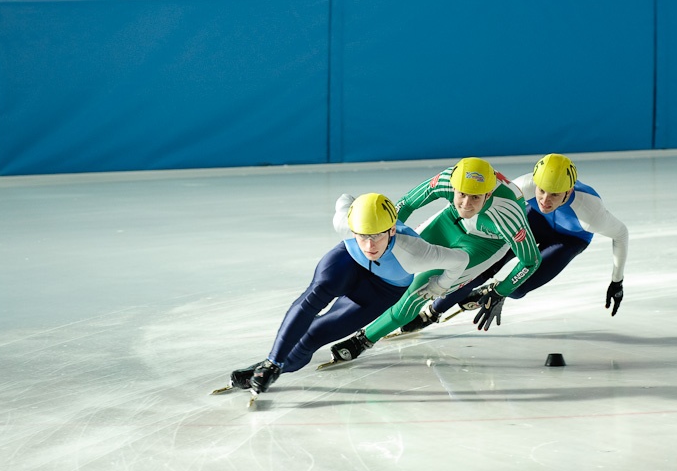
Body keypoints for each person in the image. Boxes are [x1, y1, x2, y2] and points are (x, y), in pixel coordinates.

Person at [224, 192, 470, 394]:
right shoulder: (345, 222)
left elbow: (461, 259)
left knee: (313, 336)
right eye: (362, 236)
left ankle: (272, 368)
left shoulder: (416, 252)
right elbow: (344, 199)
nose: (370, 246)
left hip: (382, 289)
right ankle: (271, 363)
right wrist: (273, 361)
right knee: (315, 296)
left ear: (392, 230)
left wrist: (440, 285)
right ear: (353, 230)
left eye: (377, 236)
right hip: (348, 263)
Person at [327, 157, 542, 363]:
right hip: (448, 221)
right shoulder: (447, 179)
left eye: (475, 197)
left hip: (485, 244)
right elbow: (406, 203)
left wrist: (499, 291)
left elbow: (530, 261)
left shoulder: (508, 213)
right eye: (462, 194)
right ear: (454, 187)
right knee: (398, 263)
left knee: (421, 289)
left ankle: (364, 339)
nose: (466, 204)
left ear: (488, 194)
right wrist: (387, 237)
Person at [412, 152, 628, 326]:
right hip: (533, 222)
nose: (545, 200)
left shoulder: (590, 213)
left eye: (555, 194)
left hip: (570, 238)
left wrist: (617, 281)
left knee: (517, 289)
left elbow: (621, 234)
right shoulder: (524, 185)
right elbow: (489, 203)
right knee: (483, 266)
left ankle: (492, 291)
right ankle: (433, 312)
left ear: (569, 190)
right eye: (542, 190)